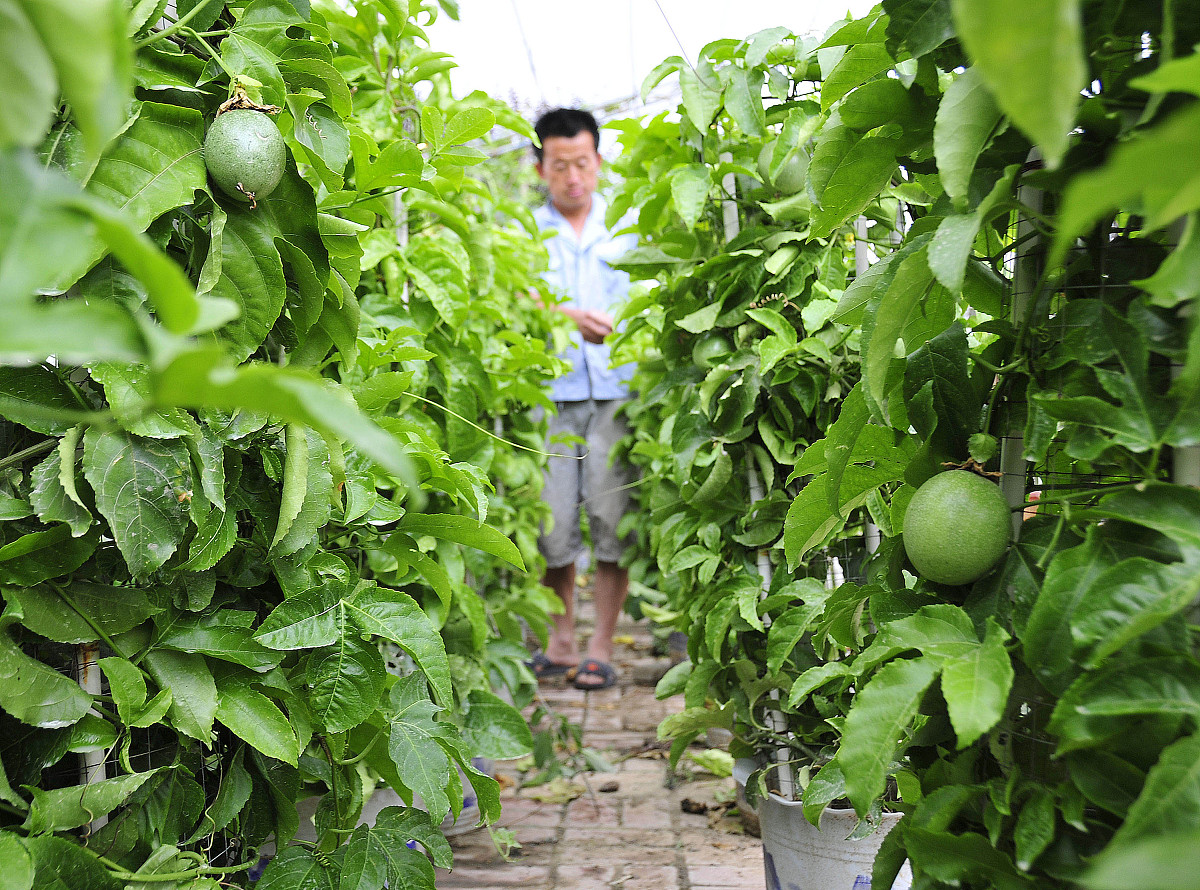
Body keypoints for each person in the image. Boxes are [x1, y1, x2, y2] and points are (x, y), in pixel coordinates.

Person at [527, 108, 638, 691]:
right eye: (560, 165)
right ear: (542, 167)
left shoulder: (628, 227)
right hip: (552, 393)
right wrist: (566, 318)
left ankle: (601, 643)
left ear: (597, 162)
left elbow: (650, 295)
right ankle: (562, 639)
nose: (572, 176)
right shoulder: (526, 234)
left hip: (618, 391)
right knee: (554, 521)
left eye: (582, 163)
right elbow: (513, 300)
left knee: (612, 515)